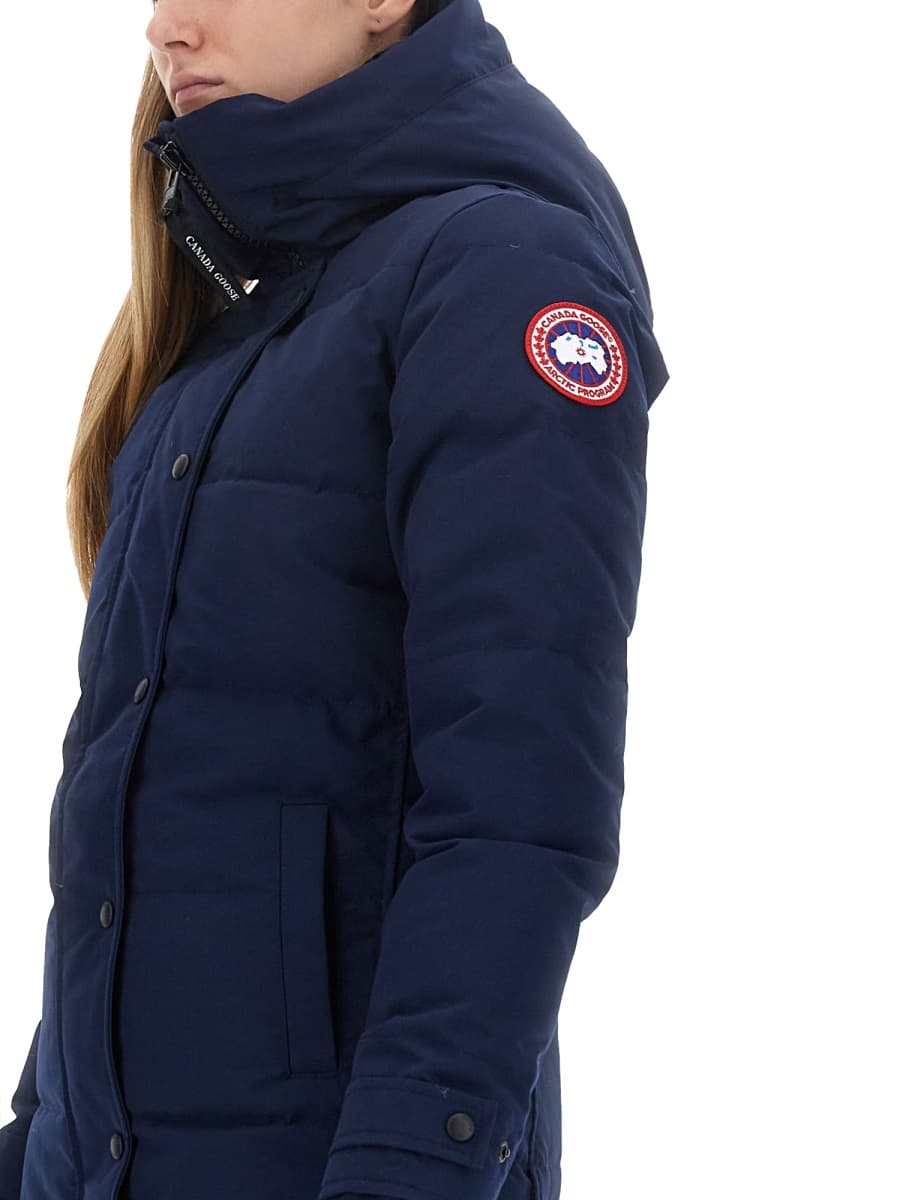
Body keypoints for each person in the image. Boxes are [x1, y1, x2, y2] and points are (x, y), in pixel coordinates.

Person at [0, 0, 670, 1198]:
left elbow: (517, 815)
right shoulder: (221, 344)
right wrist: (37, 1139)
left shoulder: (500, 274)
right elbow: (137, 825)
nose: (164, 28)